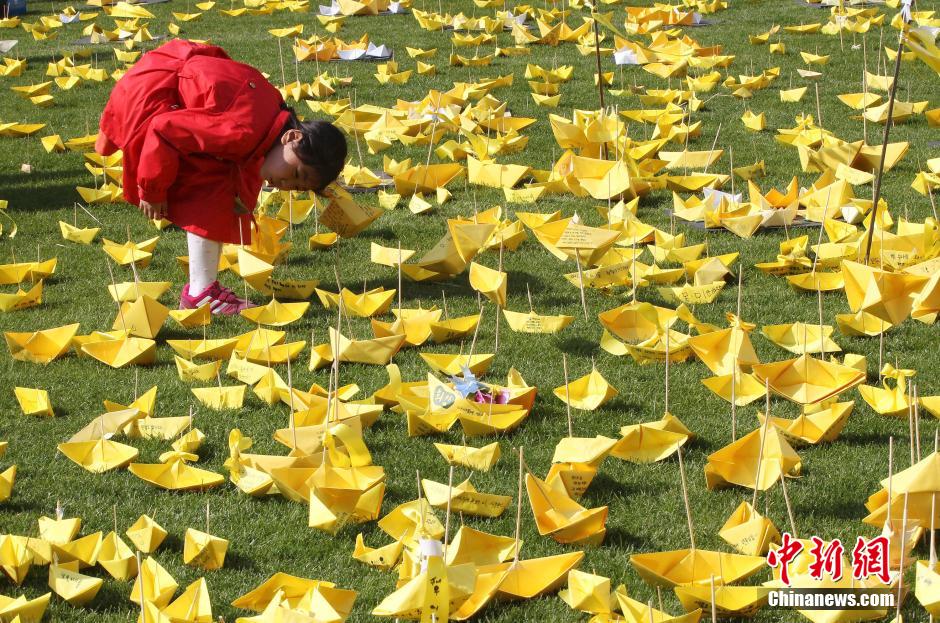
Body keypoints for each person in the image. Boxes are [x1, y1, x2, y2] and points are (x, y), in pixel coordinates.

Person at [96, 39, 347, 315]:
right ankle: (201, 293)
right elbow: (164, 129)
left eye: (297, 187)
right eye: (296, 173)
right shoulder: (242, 130)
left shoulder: (273, 116)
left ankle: (203, 290)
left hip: (163, 75)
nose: (286, 185)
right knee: (213, 188)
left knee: (225, 186)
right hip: (150, 94)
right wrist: (153, 190)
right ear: (292, 137)